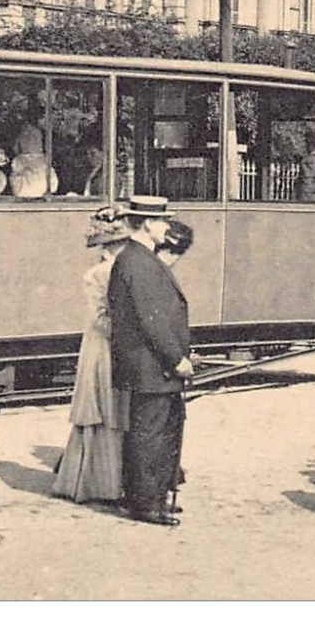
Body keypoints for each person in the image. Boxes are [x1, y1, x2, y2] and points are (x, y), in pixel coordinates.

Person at [109, 195, 192, 527]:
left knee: (158, 431)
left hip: (151, 365)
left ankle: (153, 497)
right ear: (146, 224)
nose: (166, 228)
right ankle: (146, 503)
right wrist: (176, 360)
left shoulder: (138, 258)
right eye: (162, 222)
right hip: (152, 365)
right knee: (150, 433)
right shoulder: (138, 262)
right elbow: (151, 320)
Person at [53, 206, 133, 503]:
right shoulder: (99, 275)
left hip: (111, 344)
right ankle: (104, 483)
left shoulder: (113, 270)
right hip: (104, 347)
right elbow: (101, 319)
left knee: (114, 410)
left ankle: (110, 480)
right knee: (106, 408)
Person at [9, 124, 59, 200]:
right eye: (27, 139)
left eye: (34, 138)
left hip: (36, 195)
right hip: (27, 194)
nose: (31, 141)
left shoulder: (45, 160)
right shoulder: (19, 160)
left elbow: (53, 182)